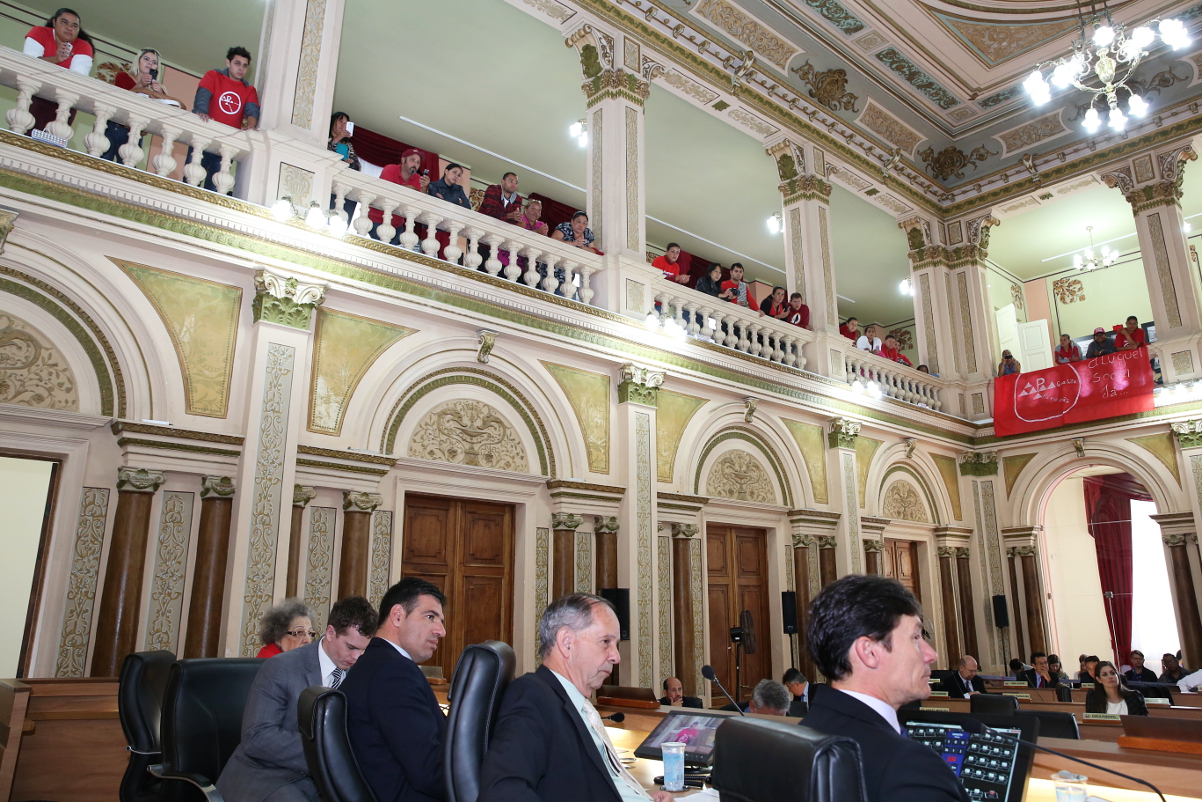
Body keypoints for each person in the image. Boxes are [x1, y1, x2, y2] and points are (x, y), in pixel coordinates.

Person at [478, 593, 673, 802]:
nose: (616, 656)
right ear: (567, 642)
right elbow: (503, 792)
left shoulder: (575, 705)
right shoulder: (532, 697)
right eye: (605, 641)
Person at [801, 574, 969, 802]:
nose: (931, 654)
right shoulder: (908, 767)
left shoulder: (800, 735)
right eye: (915, 637)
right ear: (869, 652)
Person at [216, 596, 377, 802]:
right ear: (330, 633)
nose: (356, 657)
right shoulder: (281, 667)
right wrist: (327, 753)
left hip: (326, 780)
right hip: (269, 775)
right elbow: (257, 736)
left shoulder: (361, 674)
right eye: (351, 647)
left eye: (363, 650)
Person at [341, 577, 448, 802]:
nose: (441, 631)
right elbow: (430, 773)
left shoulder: (376, 663)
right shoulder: (394, 673)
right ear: (398, 616)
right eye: (430, 617)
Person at [191, 47, 260, 193]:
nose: (241, 68)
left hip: (226, 146)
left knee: (214, 188)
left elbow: (252, 110)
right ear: (228, 63)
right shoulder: (213, 76)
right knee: (191, 181)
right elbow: (203, 96)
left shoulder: (249, 90)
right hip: (203, 135)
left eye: (245, 65)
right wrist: (201, 111)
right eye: (237, 63)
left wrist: (251, 126)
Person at [101, 49, 187, 163]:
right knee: (104, 161)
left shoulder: (156, 88)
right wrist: (140, 84)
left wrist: (160, 93)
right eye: (146, 59)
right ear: (138, 61)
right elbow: (121, 100)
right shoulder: (124, 77)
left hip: (136, 132)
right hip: (115, 127)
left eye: (154, 62)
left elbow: (165, 113)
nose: (150, 63)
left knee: (128, 168)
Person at [23, 8, 93, 136]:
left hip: (65, 101)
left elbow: (77, 78)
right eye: (64, 22)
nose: (69, 28)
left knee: (54, 144)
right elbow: (28, 64)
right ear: (54, 22)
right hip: (36, 94)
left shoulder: (83, 46)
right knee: (28, 136)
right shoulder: (40, 32)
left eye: (74, 25)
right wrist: (56, 59)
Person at [369, 149, 428, 244]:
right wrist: (410, 188)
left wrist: (424, 188)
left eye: (418, 162)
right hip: (377, 219)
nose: (415, 164)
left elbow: (420, 202)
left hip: (397, 225)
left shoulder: (418, 178)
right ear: (403, 160)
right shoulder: (390, 169)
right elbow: (386, 190)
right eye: (412, 160)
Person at [328, 111, 360, 220]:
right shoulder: (324, 138)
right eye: (341, 121)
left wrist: (348, 164)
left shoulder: (348, 144)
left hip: (345, 183)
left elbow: (357, 166)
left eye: (346, 123)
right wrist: (337, 138)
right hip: (330, 183)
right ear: (333, 121)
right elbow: (325, 155)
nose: (343, 125)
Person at [1085, 661, 1149, 715]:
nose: (1110, 677)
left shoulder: (1135, 696)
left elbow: (1144, 722)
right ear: (1099, 679)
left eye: (1112, 673)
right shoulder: (1094, 698)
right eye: (1105, 674)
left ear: (1118, 676)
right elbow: (1092, 723)